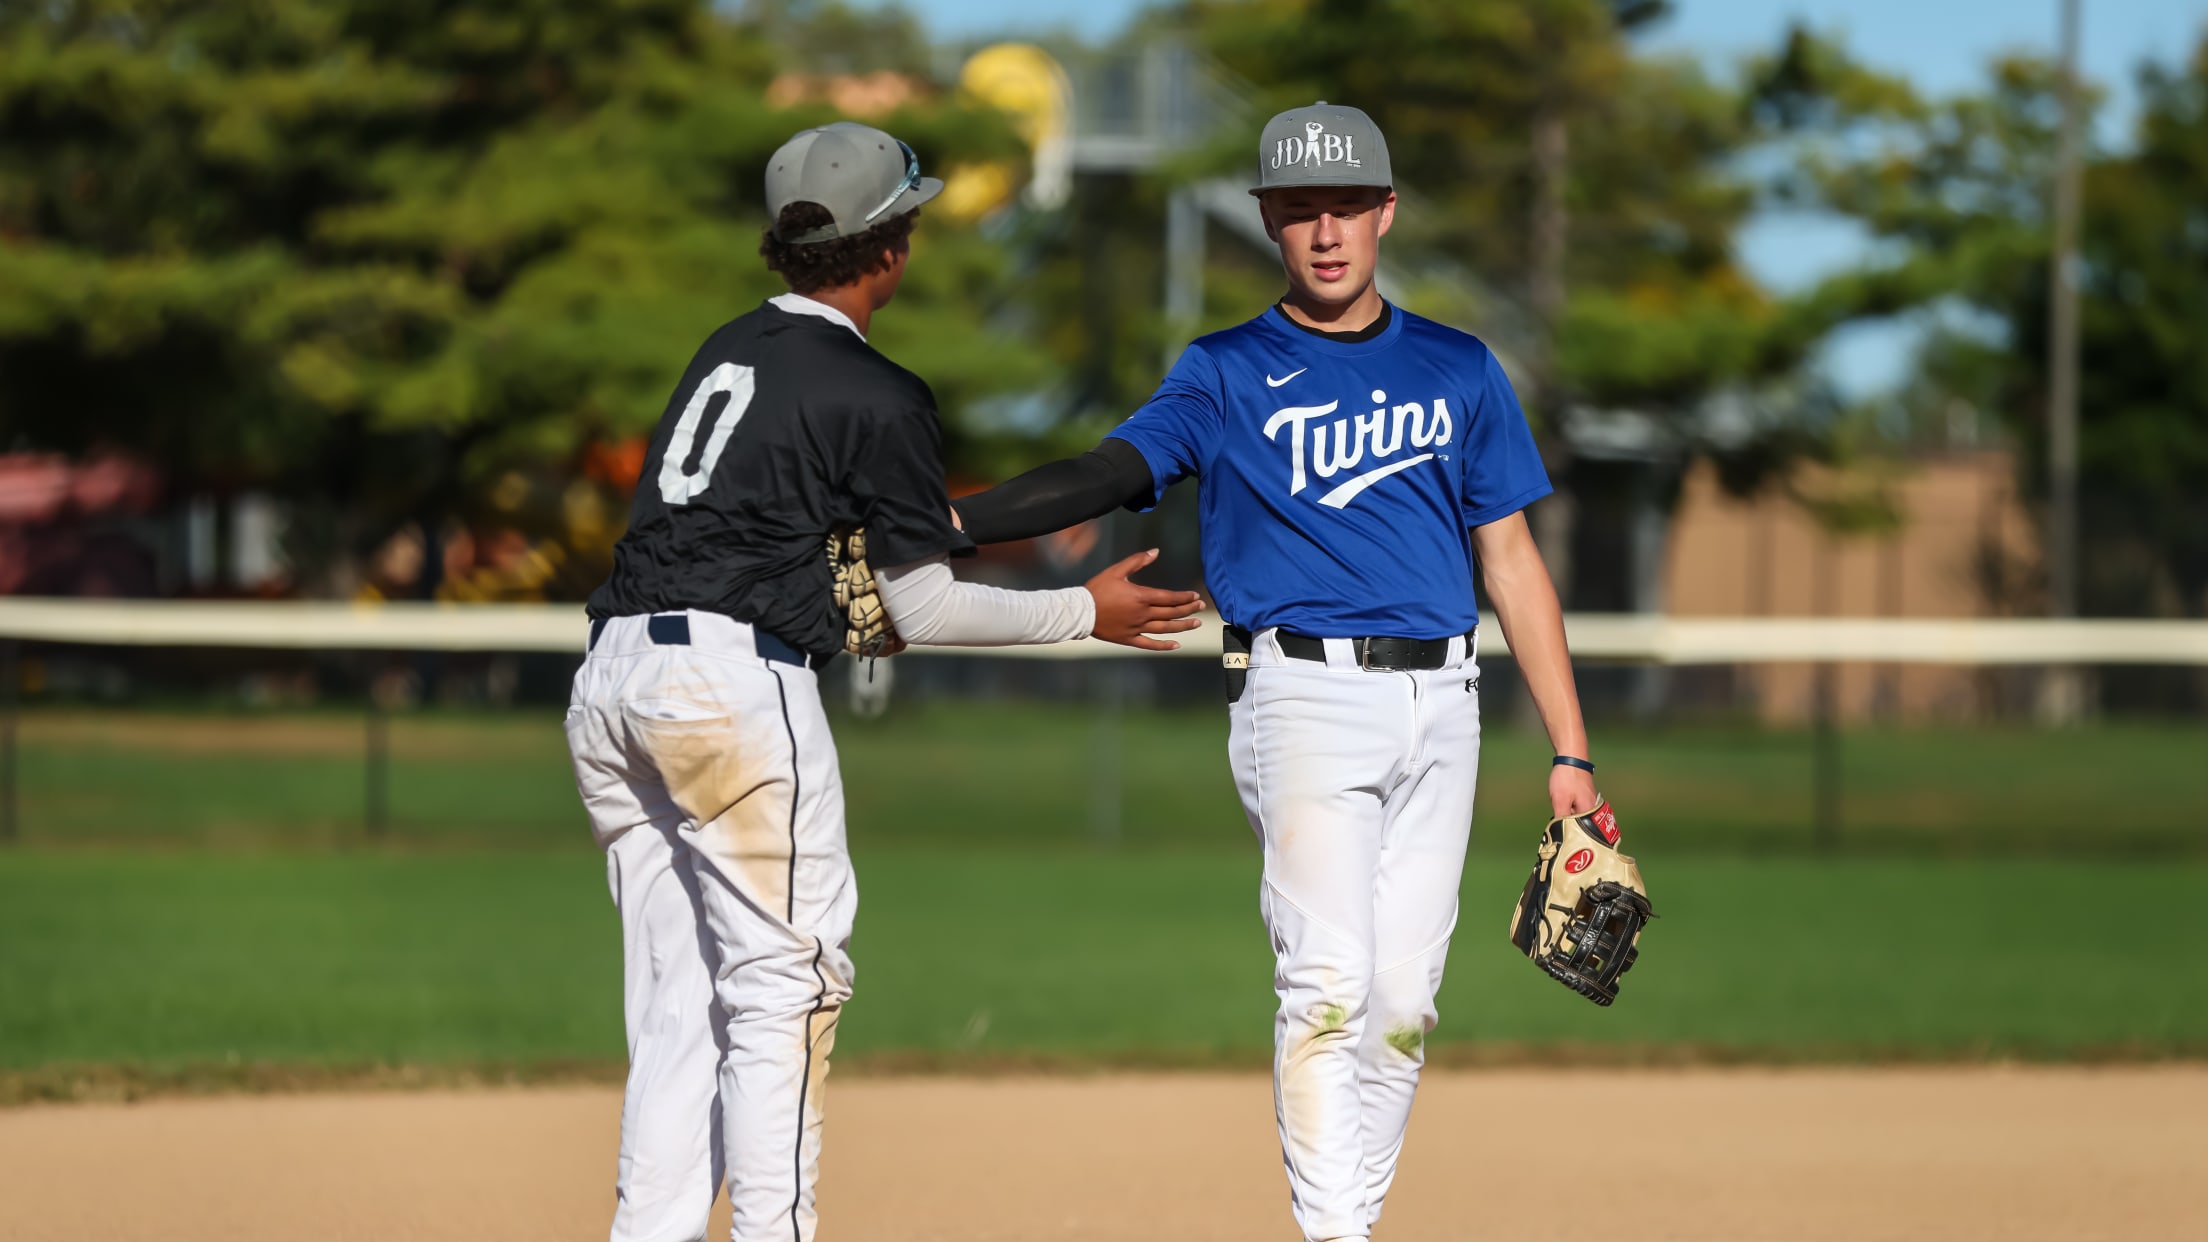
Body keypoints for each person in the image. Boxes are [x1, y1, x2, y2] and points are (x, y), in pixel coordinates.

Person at [951, 102, 1599, 1242]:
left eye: (1346, 205)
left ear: (1387, 212)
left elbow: (1514, 565)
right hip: (1302, 699)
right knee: (1328, 990)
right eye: (1299, 210)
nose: (1326, 231)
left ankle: (1350, 1223)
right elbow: (1107, 472)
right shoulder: (1224, 372)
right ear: (1267, 223)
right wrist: (949, 520)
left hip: (1446, 703)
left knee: (1404, 1005)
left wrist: (1572, 754)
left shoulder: (1460, 368)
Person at [563, 121, 1203, 1242]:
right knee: (785, 992)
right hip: (731, 689)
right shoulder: (878, 391)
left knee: (681, 1009)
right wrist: (1080, 612)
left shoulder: (724, 348)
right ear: (891, 247)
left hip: (614, 680)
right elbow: (920, 607)